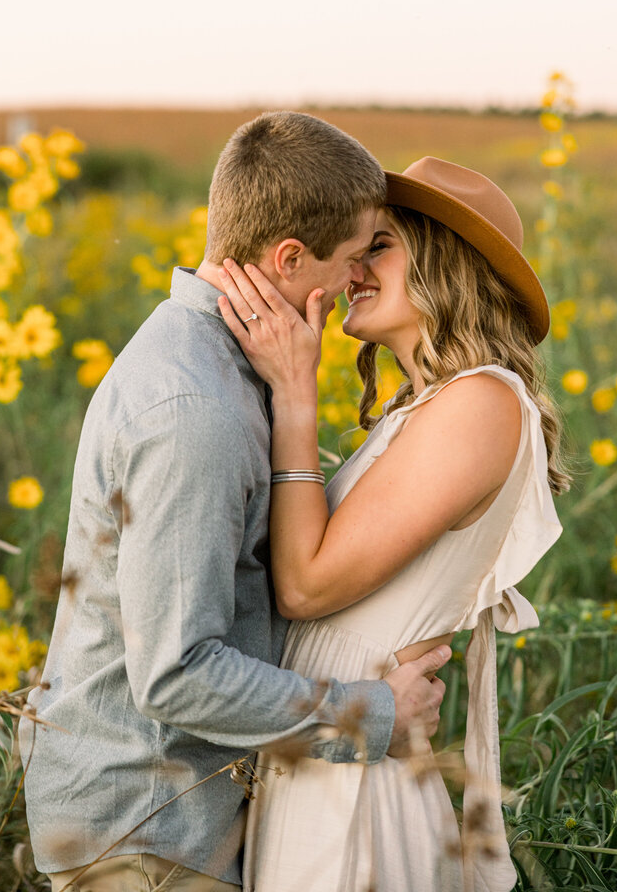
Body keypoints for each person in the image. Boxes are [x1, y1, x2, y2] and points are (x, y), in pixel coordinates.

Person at [19, 114, 449, 892]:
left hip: (161, 819)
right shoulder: (196, 411)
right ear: (289, 258)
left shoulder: (223, 367)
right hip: (147, 835)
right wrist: (375, 715)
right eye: (355, 257)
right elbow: (177, 675)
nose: (360, 279)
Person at [216, 156, 566, 892]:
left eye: (379, 245)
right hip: (334, 741)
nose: (353, 268)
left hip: (359, 778)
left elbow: (308, 586)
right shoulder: (420, 406)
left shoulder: (480, 403)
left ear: (447, 266)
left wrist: (295, 393)